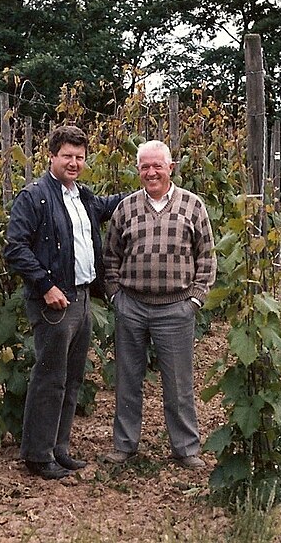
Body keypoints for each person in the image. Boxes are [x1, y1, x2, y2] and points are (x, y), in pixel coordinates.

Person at [4, 124, 126, 480]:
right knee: (50, 377)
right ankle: (38, 455)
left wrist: (151, 187)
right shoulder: (35, 196)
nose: (74, 163)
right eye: (67, 156)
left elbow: (111, 205)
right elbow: (15, 248)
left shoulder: (83, 196)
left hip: (83, 298)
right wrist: (45, 285)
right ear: (52, 156)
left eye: (79, 157)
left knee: (72, 378)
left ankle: (60, 448)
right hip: (56, 302)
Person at [102, 140, 216, 469]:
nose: (151, 172)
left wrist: (194, 299)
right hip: (132, 306)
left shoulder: (193, 206)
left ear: (170, 168)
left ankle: (185, 448)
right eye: (144, 167)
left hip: (175, 308)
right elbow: (110, 256)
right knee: (127, 379)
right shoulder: (126, 208)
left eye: (157, 166)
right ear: (138, 170)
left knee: (178, 383)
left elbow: (206, 256)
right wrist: (115, 295)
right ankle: (125, 445)